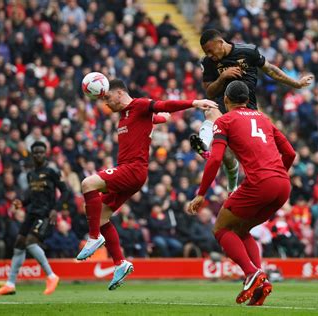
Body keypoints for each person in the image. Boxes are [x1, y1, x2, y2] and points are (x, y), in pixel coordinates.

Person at [76, 79, 217, 290]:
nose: (105, 102)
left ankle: (94, 237)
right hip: (131, 173)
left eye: (107, 97)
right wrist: (162, 119)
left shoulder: (139, 105)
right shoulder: (125, 116)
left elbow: (164, 105)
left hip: (132, 169)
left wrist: (195, 103)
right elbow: (156, 116)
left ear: (120, 93)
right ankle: (120, 263)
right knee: (103, 215)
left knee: (88, 183)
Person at [188, 81, 296, 306]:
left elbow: (216, 158)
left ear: (226, 100)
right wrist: (276, 176)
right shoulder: (264, 118)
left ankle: (251, 273)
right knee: (242, 229)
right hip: (282, 184)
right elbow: (290, 153)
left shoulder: (224, 120)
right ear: (247, 100)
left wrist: (201, 193)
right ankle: (261, 283)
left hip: (260, 183)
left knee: (221, 229)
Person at [190, 29, 312, 194]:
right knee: (210, 109)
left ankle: (235, 186)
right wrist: (223, 77)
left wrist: (296, 84)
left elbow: (270, 70)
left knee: (230, 155)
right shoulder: (208, 62)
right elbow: (209, 92)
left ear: (220, 43)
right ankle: (204, 143)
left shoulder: (248, 51)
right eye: (206, 52)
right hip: (223, 103)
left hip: (246, 109)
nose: (210, 55)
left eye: (211, 50)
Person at [0, 141, 70, 296]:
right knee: (19, 243)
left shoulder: (52, 172)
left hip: (45, 214)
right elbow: (32, 197)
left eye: (41, 152)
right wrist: (22, 202)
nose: (38, 155)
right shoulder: (30, 174)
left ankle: (51, 276)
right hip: (32, 213)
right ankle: (10, 284)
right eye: (35, 152)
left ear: (45, 153)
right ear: (32, 155)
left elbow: (65, 191)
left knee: (30, 242)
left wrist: (56, 209)